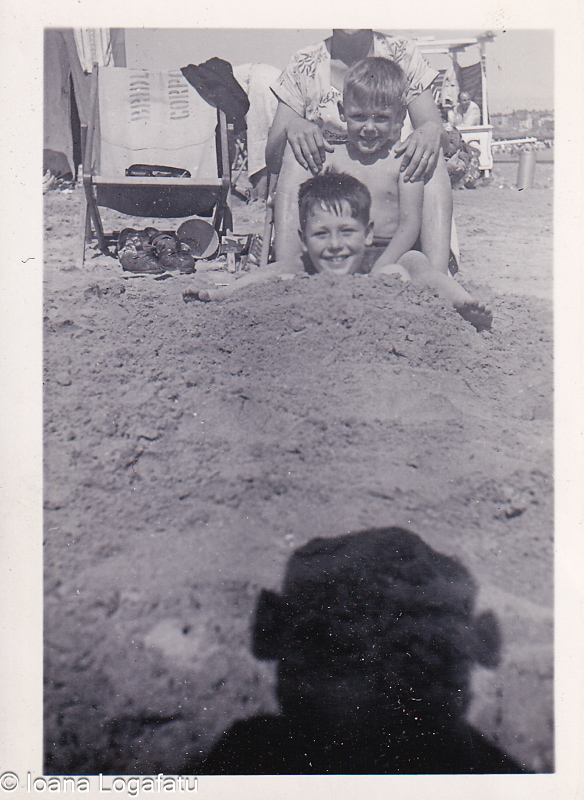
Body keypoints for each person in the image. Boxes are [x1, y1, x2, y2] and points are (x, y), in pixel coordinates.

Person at [201, 527, 530, 774]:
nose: (379, 687)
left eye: (419, 657)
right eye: (335, 647)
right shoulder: (251, 755)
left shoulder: (251, 759)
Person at [266, 29, 454, 276]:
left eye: (380, 118)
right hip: (330, 183)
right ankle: (289, 273)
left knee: (430, 152)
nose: (369, 127)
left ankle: (437, 277)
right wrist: (293, 126)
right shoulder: (304, 62)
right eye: (358, 117)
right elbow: (273, 159)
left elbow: (440, 139)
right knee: (296, 150)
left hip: (391, 209)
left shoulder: (403, 53)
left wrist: (430, 130)